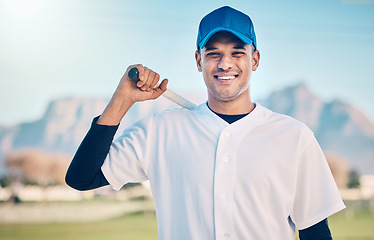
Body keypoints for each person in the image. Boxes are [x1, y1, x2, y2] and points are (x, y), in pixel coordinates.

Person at [65, 6, 345, 240]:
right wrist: (122, 98)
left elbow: (315, 231)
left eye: (237, 52)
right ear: (199, 61)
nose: (225, 63)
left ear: (254, 59)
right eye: (213, 53)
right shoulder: (159, 131)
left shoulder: (294, 137)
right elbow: (81, 178)